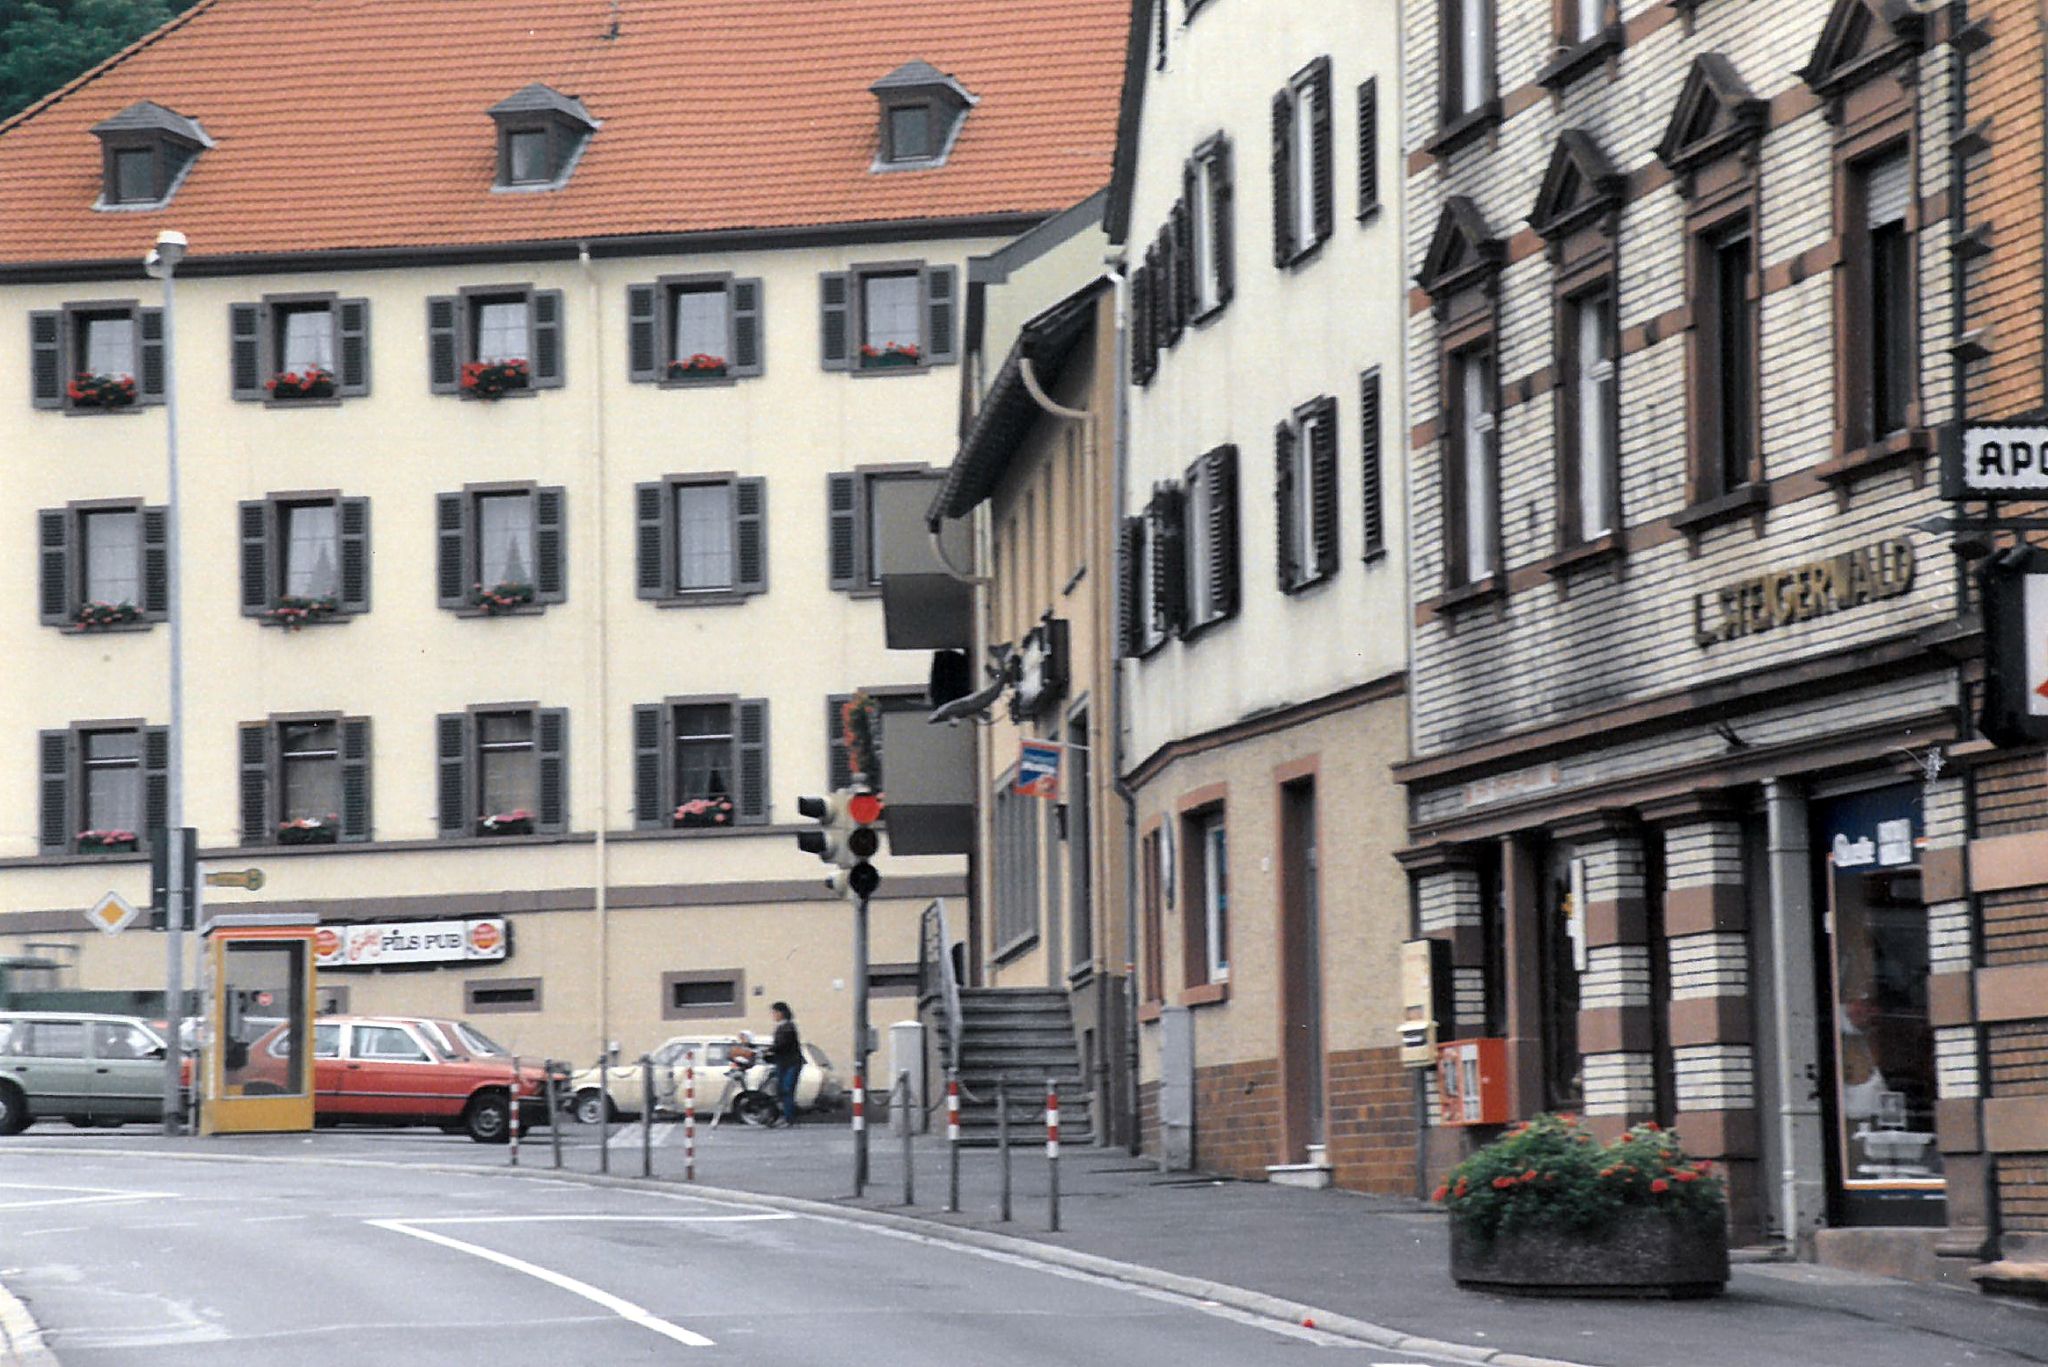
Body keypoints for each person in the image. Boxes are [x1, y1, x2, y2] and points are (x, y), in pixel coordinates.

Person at [768, 1002, 803, 1128]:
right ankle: (785, 1116)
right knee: (781, 1090)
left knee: (787, 1089)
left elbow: (782, 1044)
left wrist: (770, 1049)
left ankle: (789, 1118)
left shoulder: (788, 1027)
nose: (773, 1015)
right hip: (783, 1062)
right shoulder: (781, 1027)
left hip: (791, 1062)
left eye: (774, 1012)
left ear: (781, 1013)